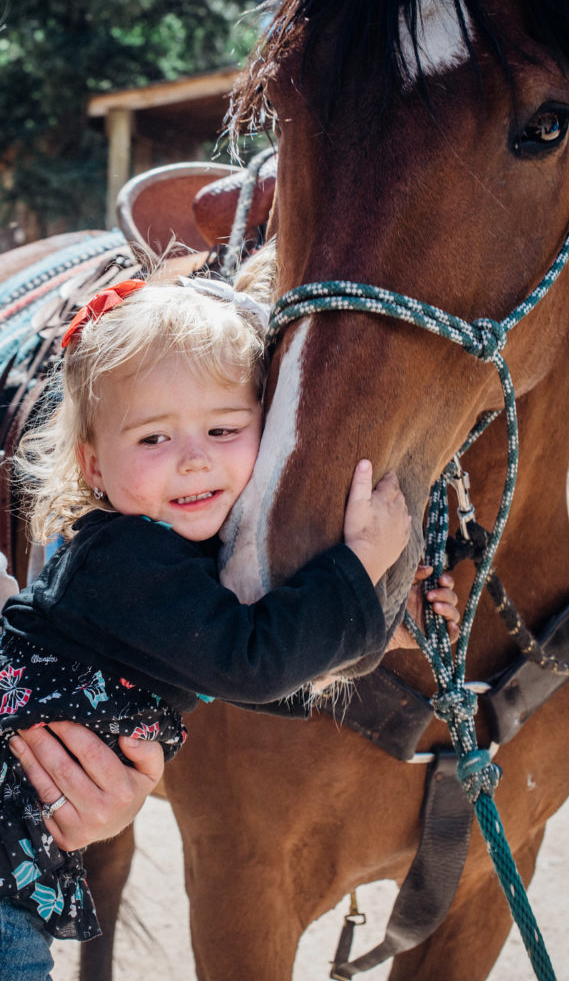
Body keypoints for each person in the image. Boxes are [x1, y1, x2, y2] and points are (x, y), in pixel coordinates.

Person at [0, 263, 458, 977]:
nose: (192, 460)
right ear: (92, 465)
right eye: (153, 439)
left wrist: (382, 625)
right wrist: (360, 567)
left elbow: (252, 681)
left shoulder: (157, 558)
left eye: (223, 429)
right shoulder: (121, 559)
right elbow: (251, 662)